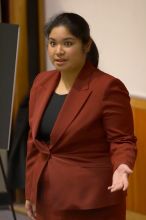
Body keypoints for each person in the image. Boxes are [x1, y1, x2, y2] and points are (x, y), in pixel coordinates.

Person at [25, 12, 137, 220]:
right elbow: (35, 143)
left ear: (86, 45)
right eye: (52, 43)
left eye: (68, 43)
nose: (58, 51)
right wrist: (31, 190)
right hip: (48, 195)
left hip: (91, 200)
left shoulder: (107, 87)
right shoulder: (41, 82)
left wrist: (122, 165)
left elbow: (122, 139)